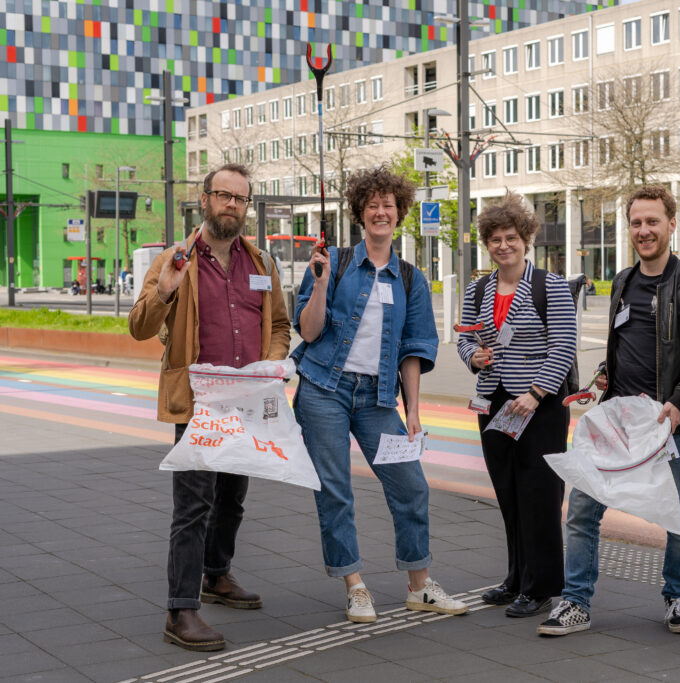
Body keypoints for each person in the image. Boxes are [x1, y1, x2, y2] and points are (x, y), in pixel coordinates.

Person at [538, 185, 680, 637]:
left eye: (652, 221)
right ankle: (576, 602)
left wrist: (679, 401)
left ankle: (678, 598)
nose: (644, 231)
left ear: (672, 224)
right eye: (636, 223)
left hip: (674, 422)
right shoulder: (622, 280)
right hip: (618, 422)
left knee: (679, 515)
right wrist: (602, 377)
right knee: (582, 508)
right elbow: (625, 347)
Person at [292, 166, 467, 624]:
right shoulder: (337, 263)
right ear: (360, 214)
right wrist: (322, 282)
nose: (380, 212)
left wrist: (412, 412)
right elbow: (309, 332)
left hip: (377, 400)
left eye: (388, 205)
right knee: (335, 490)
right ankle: (355, 585)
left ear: (400, 213)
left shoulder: (410, 279)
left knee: (411, 485)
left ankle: (419, 586)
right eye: (372, 205)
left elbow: (414, 349)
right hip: (323, 389)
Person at [129, 163, 291, 651]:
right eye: (223, 196)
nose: (232, 206)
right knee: (193, 506)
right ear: (205, 200)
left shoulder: (261, 263)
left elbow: (280, 326)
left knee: (232, 499)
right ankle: (181, 612)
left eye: (241, 199)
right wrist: (164, 291)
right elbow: (139, 326)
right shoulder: (176, 258)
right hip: (198, 404)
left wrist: (272, 364)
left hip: (244, 402)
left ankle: (216, 573)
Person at [456, 193, 577, 618]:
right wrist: (472, 355)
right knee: (507, 491)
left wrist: (537, 392)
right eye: (494, 239)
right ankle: (516, 578)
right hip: (494, 401)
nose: (502, 245)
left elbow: (564, 346)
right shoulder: (479, 288)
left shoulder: (551, 286)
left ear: (526, 240)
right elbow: (465, 337)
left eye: (510, 237)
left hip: (538, 405)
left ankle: (541, 585)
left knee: (539, 493)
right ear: (486, 244)